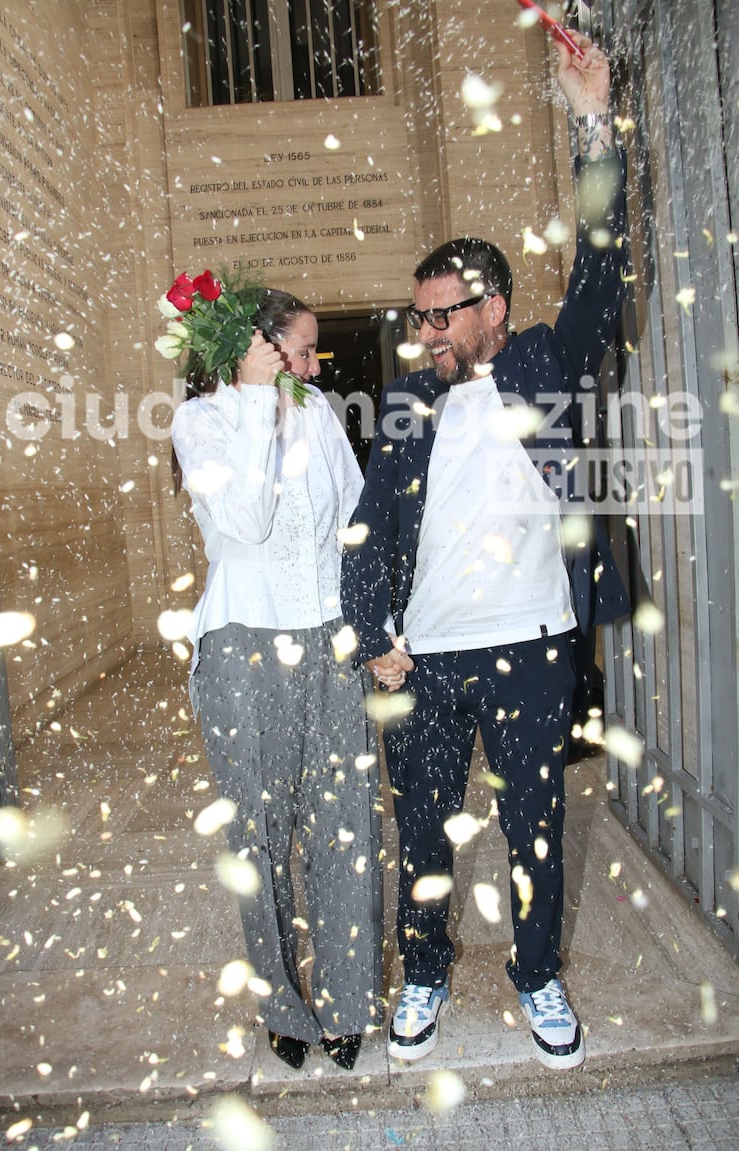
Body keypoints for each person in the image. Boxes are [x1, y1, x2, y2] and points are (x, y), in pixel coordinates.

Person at [340, 34, 630, 1070]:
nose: (424, 331)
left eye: (440, 315)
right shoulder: (405, 403)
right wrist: (370, 632)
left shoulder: (546, 360)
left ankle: (536, 972)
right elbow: (369, 526)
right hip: (424, 655)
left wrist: (592, 124)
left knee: (533, 825)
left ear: (491, 308)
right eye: (417, 316)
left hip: (530, 645)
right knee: (421, 828)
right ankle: (423, 970)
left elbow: (601, 270)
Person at [171, 288, 383, 1072]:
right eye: (300, 350)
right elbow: (246, 521)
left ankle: (347, 1000)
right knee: (257, 836)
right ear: (255, 348)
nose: (314, 366)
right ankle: (281, 1005)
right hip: (242, 643)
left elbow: (355, 519)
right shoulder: (201, 421)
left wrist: (376, 625)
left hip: (329, 639)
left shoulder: (319, 410)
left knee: (345, 825)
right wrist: (258, 400)